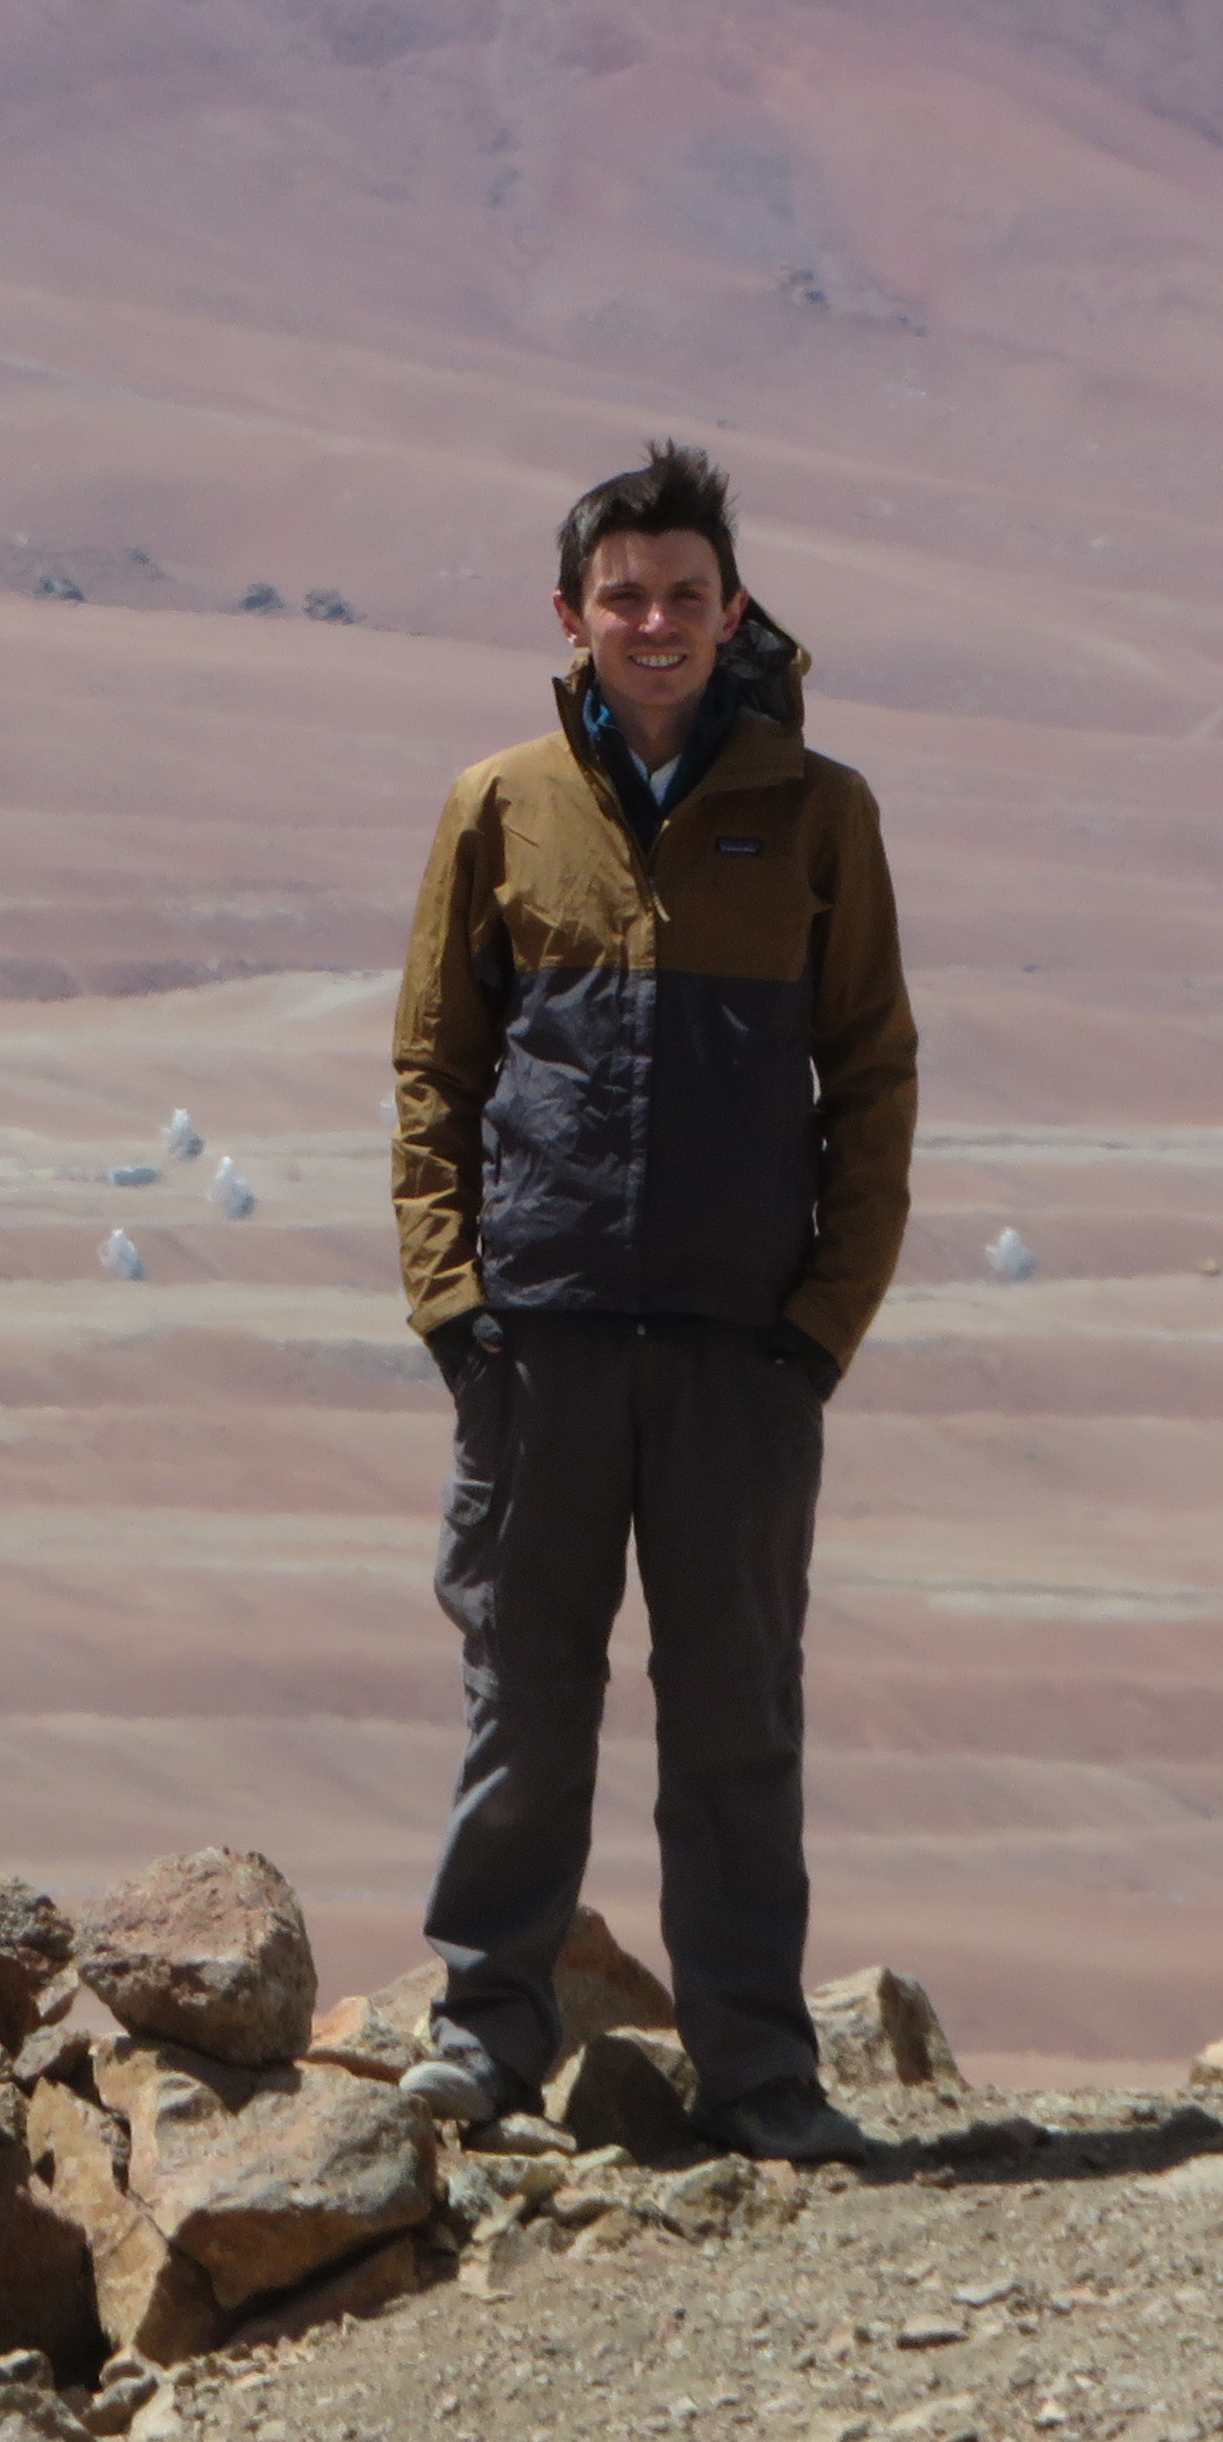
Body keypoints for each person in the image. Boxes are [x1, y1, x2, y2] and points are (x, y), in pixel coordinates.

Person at [386, 438, 919, 2162]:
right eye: (626, 594)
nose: (658, 619)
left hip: (735, 1355)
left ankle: (758, 2072)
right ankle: (485, 2035)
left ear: (732, 607)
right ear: (572, 615)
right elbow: (432, 1073)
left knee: (735, 1714)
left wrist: (818, 1328)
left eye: (687, 592)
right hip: (537, 1343)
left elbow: (873, 1073)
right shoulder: (500, 806)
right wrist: (453, 1300)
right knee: (524, 1697)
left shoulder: (815, 811)